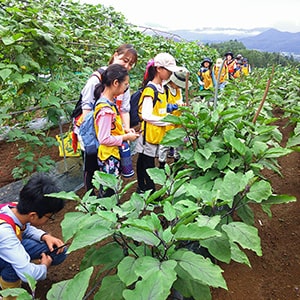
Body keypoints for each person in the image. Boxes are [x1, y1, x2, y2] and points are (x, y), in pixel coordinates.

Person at [73, 44, 138, 194]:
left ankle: (103, 198)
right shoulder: (96, 80)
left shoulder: (123, 83)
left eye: (131, 64)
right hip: (92, 132)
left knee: (105, 168)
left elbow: (124, 109)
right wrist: (105, 137)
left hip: (109, 133)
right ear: (115, 55)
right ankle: (91, 197)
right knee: (91, 166)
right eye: (124, 60)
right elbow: (87, 114)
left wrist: (125, 130)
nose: (127, 66)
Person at [0, 173, 67, 300]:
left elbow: (25, 227)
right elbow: (28, 274)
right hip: (4, 252)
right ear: (33, 215)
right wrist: (43, 267)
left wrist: (45, 236)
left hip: (5, 248)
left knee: (59, 251)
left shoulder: (13, 207)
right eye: (50, 216)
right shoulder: (5, 233)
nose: (50, 220)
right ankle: (9, 295)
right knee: (14, 266)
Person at [135, 53, 182, 194]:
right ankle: (148, 190)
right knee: (147, 164)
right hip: (148, 134)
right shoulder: (151, 90)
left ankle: (144, 188)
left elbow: (161, 108)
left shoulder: (162, 88)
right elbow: (146, 114)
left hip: (155, 133)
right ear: (159, 69)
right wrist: (167, 120)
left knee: (146, 161)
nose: (170, 73)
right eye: (168, 70)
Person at [93, 64, 139, 197]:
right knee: (109, 190)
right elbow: (104, 138)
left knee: (112, 187)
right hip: (108, 157)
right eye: (125, 84)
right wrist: (125, 138)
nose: (126, 88)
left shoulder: (109, 103)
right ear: (115, 83)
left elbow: (112, 129)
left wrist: (125, 131)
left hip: (111, 154)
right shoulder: (105, 110)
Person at [158, 68, 192, 168]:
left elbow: (180, 101)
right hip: (168, 120)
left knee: (179, 142)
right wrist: (173, 106)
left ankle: (177, 163)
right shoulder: (164, 89)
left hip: (178, 119)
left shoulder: (178, 90)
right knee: (165, 143)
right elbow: (162, 106)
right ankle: (162, 164)